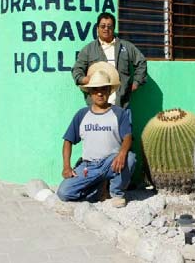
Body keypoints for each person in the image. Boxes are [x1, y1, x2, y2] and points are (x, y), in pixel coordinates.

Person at [57, 69, 136, 208]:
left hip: (111, 163)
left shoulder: (119, 113)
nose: (100, 93)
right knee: (64, 193)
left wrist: (122, 154)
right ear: (90, 92)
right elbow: (68, 141)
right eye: (95, 90)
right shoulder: (82, 114)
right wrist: (66, 167)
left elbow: (128, 137)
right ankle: (98, 188)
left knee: (130, 158)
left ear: (109, 91)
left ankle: (116, 193)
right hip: (89, 167)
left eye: (103, 89)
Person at [72, 12, 147, 108]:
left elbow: (141, 62)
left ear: (113, 28)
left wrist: (136, 82)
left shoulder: (126, 47)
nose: (106, 29)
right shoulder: (88, 50)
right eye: (103, 26)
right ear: (97, 28)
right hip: (97, 107)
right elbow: (76, 69)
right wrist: (83, 79)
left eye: (109, 26)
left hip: (122, 105)